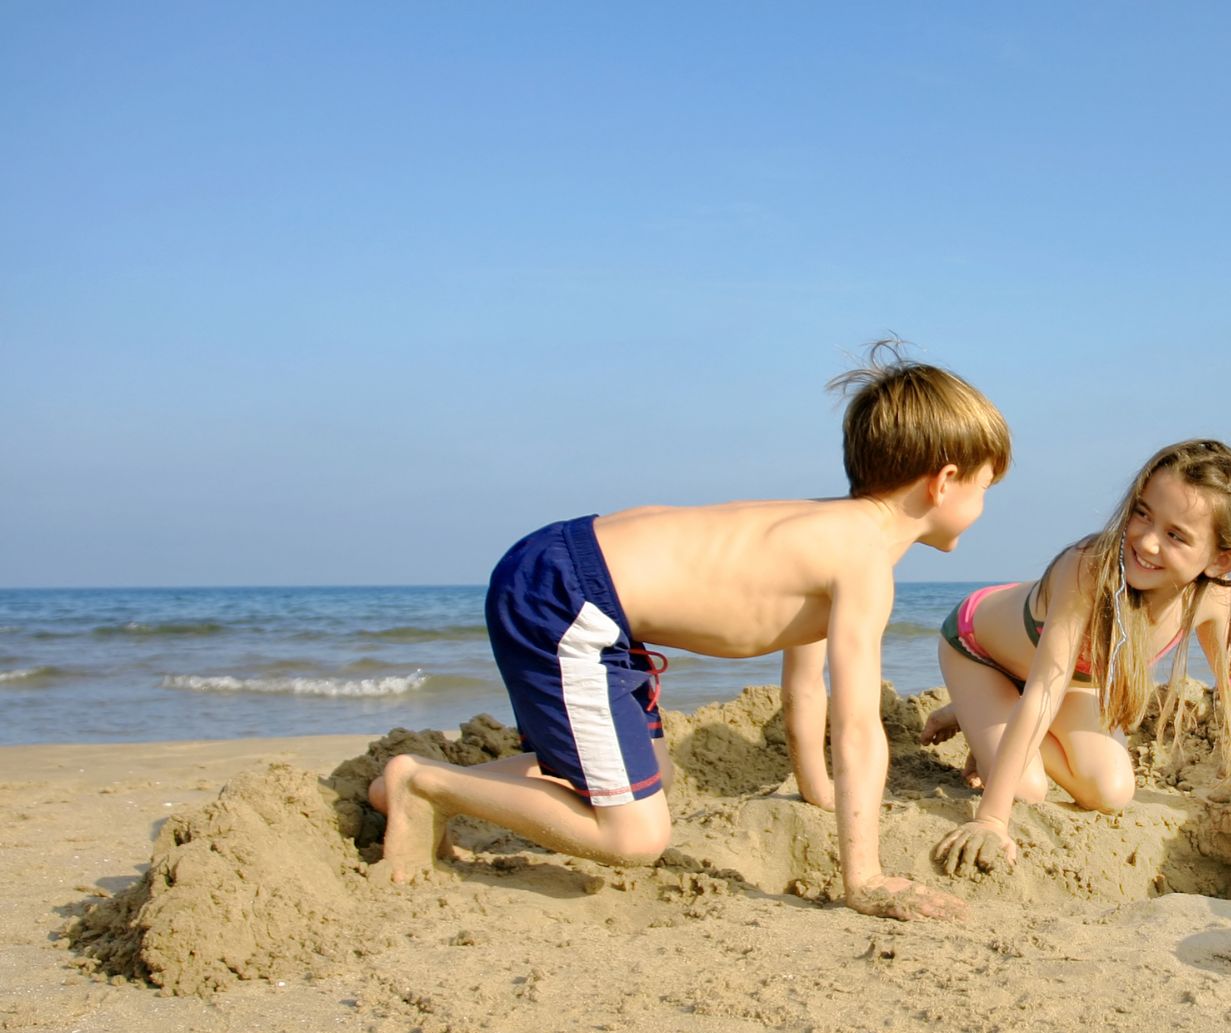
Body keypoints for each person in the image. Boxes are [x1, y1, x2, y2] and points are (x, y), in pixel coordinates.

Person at [369, 344, 1009, 921]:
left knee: (654, 776)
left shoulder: (835, 533)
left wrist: (818, 790)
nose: (985, 505)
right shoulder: (862, 559)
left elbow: (805, 692)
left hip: (583, 583)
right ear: (944, 480)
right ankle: (423, 783)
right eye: (986, 486)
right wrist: (863, 877)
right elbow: (860, 725)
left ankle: (455, 789)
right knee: (636, 837)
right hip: (568, 596)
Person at [922, 439, 1231, 876]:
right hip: (980, 650)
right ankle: (979, 707)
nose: (1146, 540)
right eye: (1142, 513)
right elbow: (1045, 690)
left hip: (1063, 683)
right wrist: (992, 820)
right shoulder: (1088, 568)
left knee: (1111, 791)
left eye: (1176, 535)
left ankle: (982, 712)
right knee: (1026, 790)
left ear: (1222, 560)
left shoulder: (1213, 601)